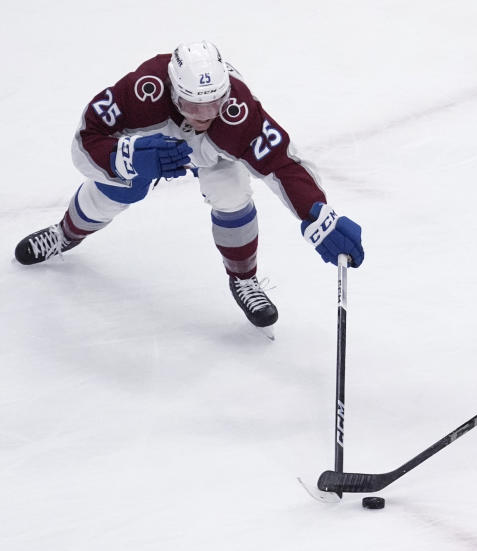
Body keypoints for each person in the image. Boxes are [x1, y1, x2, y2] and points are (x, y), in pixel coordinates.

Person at [14, 40, 364, 336]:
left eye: (214, 103)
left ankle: (243, 279)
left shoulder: (237, 111)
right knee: (121, 187)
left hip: (214, 152)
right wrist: (128, 157)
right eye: (194, 105)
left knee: (231, 192)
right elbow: (84, 140)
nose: (204, 114)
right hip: (156, 138)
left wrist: (319, 215)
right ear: (172, 89)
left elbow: (283, 164)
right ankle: (65, 234)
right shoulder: (142, 90)